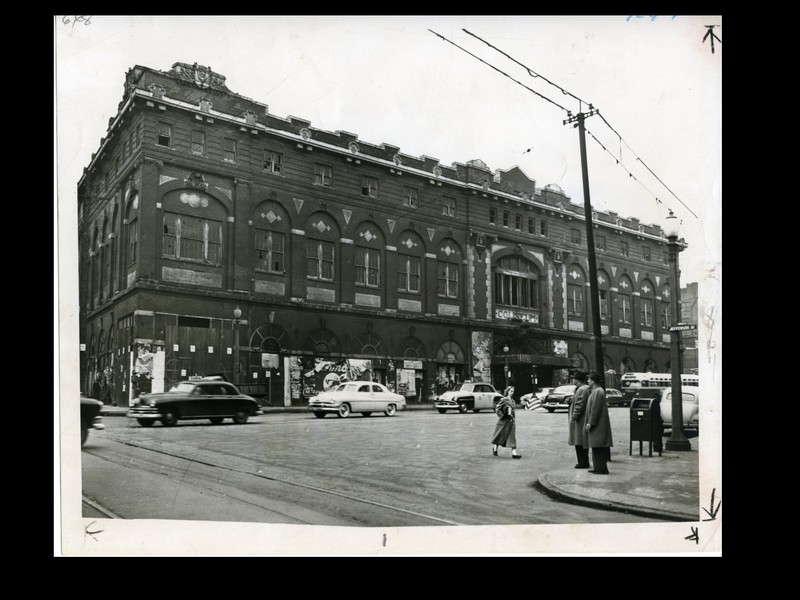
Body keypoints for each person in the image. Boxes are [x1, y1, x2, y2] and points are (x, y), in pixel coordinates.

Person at [585, 371, 613, 475]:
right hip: (598, 425)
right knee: (596, 446)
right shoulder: (597, 391)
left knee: (599, 446)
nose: (588, 381)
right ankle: (597, 467)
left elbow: (595, 409)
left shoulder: (598, 392)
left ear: (593, 381)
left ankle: (601, 468)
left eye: (589, 379)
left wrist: (590, 423)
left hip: (598, 425)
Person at [568, 371, 591, 469]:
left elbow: (579, 405)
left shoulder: (582, 389)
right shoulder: (582, 389)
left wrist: (574, 416)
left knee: (579, 441)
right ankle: (582, 461)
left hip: (579, 420)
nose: (572, 380)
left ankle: (583, 462)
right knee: (580, 441)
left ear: (577, 380)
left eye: (574, 378)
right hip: (580, 419)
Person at [491, 394, 521, 459]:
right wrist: (502, 415)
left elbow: (513, 411)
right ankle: (495, 447)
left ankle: (514, 453)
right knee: (499, 435)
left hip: (511, 420)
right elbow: (497, 408)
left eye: (513, 391)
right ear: (507, 392)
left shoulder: (513, 401)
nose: (512, 392)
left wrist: (513, 417)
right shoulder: (503, 399)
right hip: (504, 420)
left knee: (512, 436)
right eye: (511, 391)